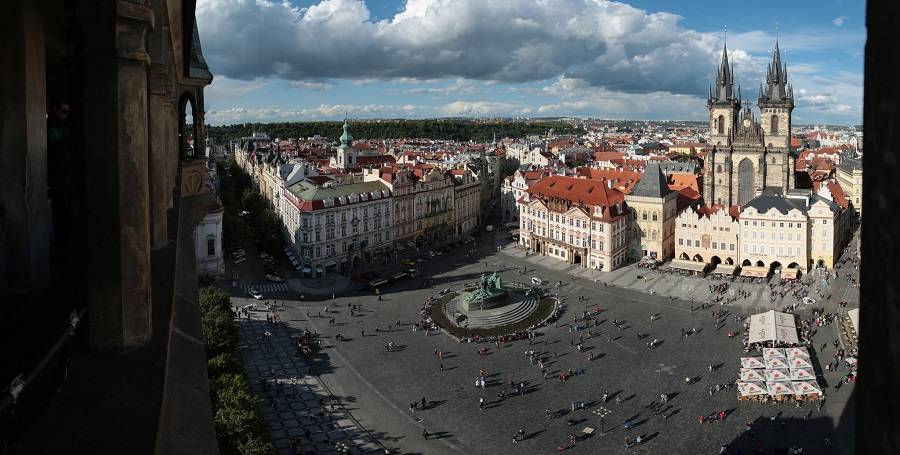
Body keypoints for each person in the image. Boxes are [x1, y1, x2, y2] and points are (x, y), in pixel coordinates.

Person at [47, 95, 74, 246]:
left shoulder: (63, 125)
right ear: (54, 110)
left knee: (67, 212)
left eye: (67, 112)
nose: (66, 114)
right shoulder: (50, 125)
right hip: (58, 176)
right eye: (63, 111)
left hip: (65, 174)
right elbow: (55, 143)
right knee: (61, 214)